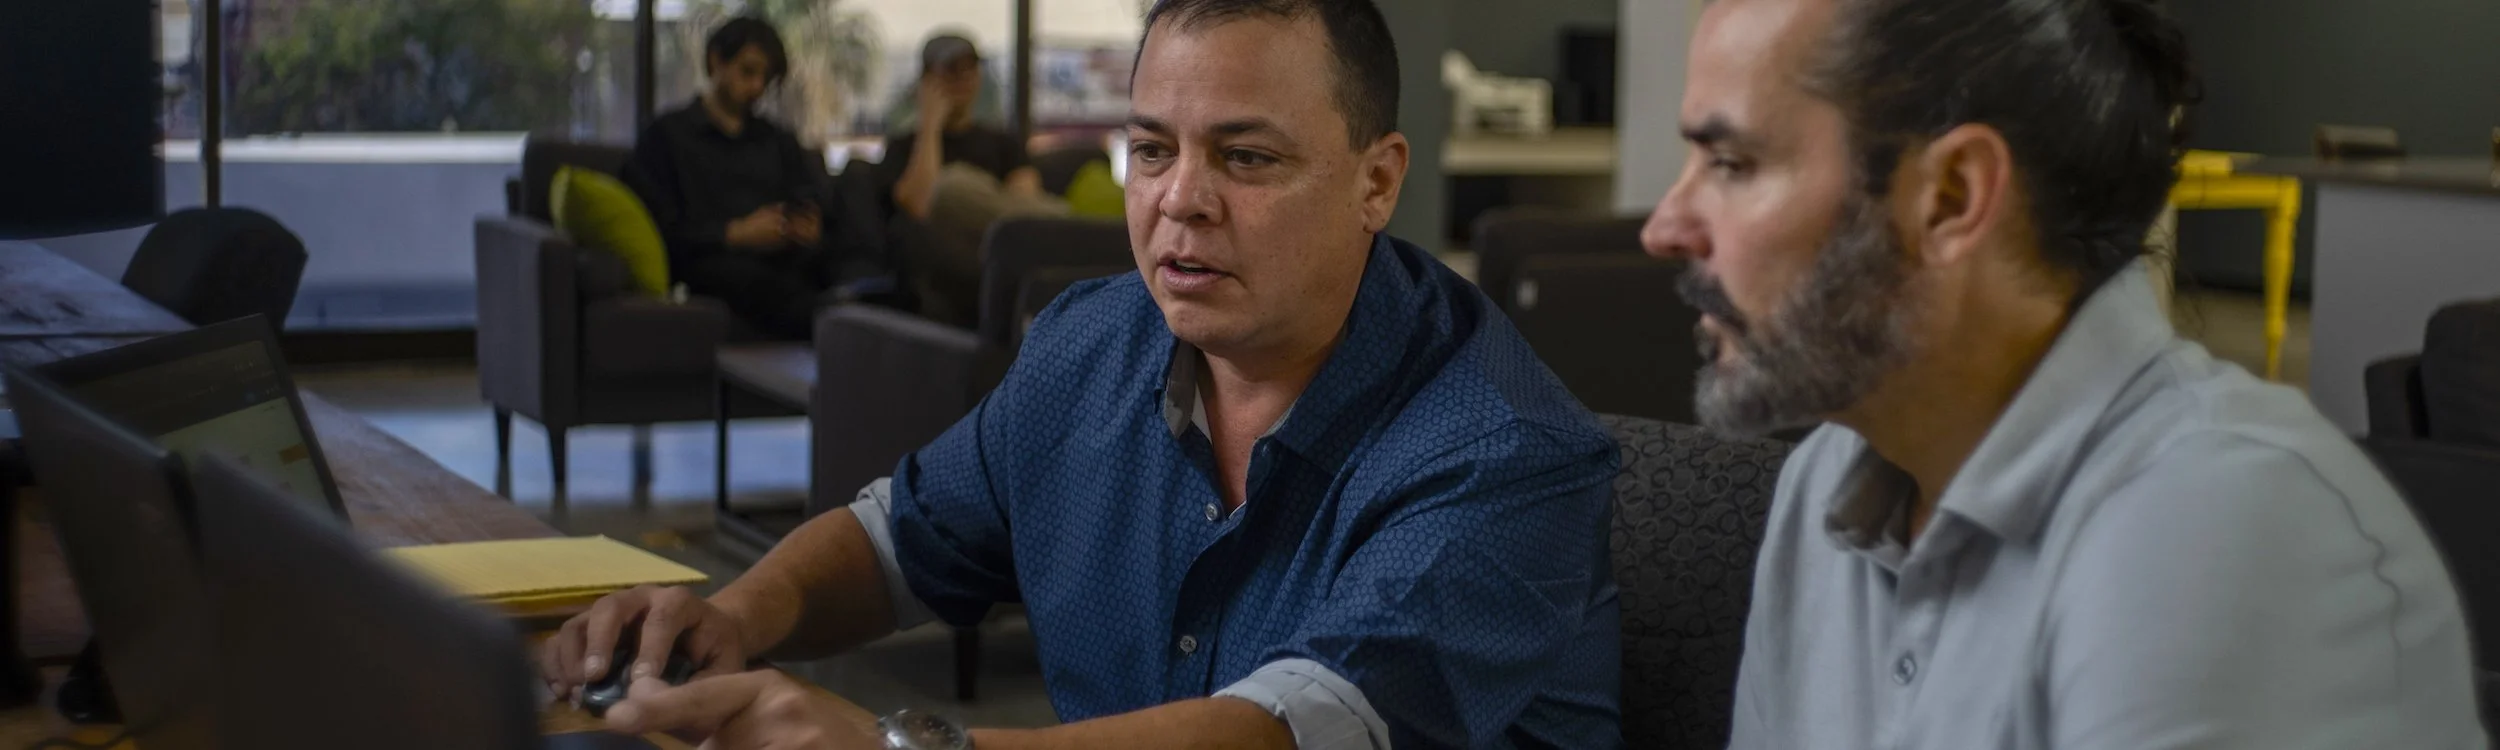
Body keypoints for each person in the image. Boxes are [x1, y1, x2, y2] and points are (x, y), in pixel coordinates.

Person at [544, 1, 1625, 748]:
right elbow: (900, 541)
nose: (1180, 200)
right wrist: (731, 619)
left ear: (1377, 181)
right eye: (1151, 150)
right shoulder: (1088, 342)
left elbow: (1288, 732)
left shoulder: (1502, 447)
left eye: (1246, 158)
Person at [1643, 0, 2486, 747]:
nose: (1664, 227)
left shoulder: (2222, 521)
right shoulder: (1824, 482)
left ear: (1951, 196)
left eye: (1731, 164)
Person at [623, 17, 856, 340]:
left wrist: (808, 225)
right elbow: (662, 227)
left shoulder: (777, 140)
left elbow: (812, 197)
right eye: (748, 72)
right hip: (714, 262)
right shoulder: (666, 136)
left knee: (845, 248)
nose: (757, 87)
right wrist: (735, 233)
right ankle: (843, 325)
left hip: (787, 259)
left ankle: (864, 311)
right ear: (716, 61)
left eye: (766, 78)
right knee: (746, 278)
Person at [875, 32, 1056, 326]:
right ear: (927, 82)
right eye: (950, 70)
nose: (962, 78)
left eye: (969, 69)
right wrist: (930, 125)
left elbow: (1025, 211)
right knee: (950, 189)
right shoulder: (904, 147)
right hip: (944, 257)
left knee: (967, 192)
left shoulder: (1002, 142)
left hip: (996, 245)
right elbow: (921, 205)